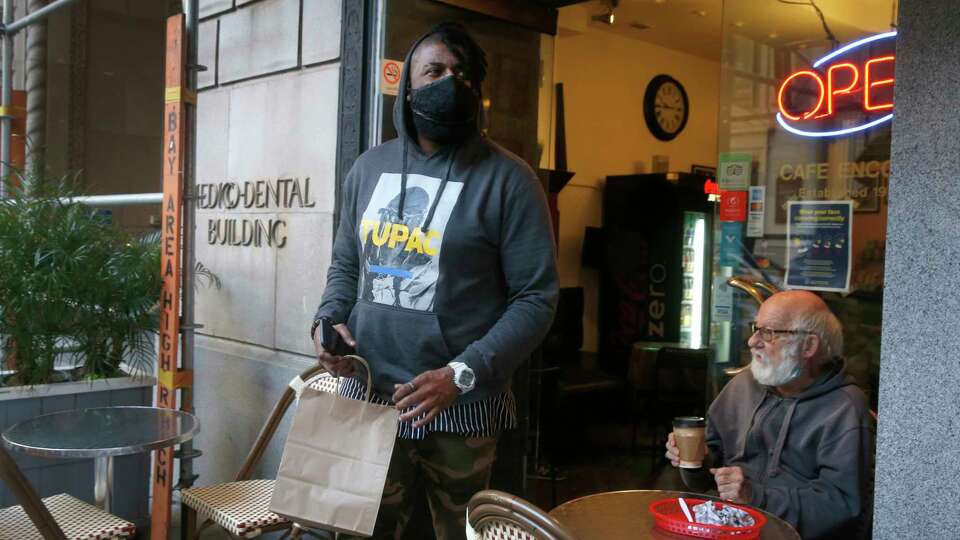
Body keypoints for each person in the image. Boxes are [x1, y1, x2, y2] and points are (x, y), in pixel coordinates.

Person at [311, 22, 558, 540]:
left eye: (462, 74)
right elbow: (345, 266)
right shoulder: (368, 168)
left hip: (461, 406)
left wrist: (462, 373)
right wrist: (328, 320)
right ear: (407, 84)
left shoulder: (509, 180)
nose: (451, 82)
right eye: (436, 71)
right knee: (364, 531)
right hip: (369, 396)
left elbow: (536, 299)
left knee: (459, 533)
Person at [665, 290, 875, 539]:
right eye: (756, 328)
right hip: (725, 528)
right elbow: (705, 477)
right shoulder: (743, 385)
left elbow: (840, 507)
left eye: (769, 332)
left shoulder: (845, 408)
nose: (752, 341)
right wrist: (694, 460)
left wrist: (756, 496)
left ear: (808, 346)